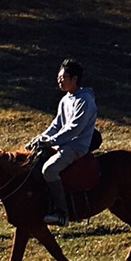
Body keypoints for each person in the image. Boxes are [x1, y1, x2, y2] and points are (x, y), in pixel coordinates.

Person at [27, 59, 96, 229]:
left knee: (49, 170)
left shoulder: (85, 100)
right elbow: (56, 125)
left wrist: (50, 141)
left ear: (75, 79)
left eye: (64, 77)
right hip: (61, 145)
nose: (60, 81)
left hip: (75, 147)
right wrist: (40, 138)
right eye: (59, 77)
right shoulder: (66, 99)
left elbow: (74, 129)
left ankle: (62, 213)